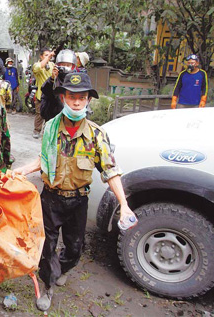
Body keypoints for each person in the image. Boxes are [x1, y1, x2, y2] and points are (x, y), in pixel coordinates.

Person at [14, 72, 136, 311]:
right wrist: (20, 171)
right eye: (72, 96)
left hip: (78, 201)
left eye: (82, 97)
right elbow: (43, 160)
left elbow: (111, 170)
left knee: (75, 248)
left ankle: (63, 267)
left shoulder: (96, 135)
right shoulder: (50, 128)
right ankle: (48, 286)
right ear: (63, 98)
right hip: (50, 199)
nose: (77, 102)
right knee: (46, 248)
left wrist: (124, 204)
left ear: (88, 100)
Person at [40, 49, 78, 121]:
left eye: (68, 65)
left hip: (71, 120)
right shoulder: (53, 80)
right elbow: (46, 91)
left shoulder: (76, 81)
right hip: (53, 120)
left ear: (73, 66)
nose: (65, 67)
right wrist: (52, 79)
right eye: (62, 64)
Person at [32, 48, 55, 138]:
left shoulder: (52, 65)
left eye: (49, 55)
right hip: (40, 94)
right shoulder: (37, 65)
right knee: (40, 113)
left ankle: (47, 130)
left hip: (51, 94)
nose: (48, 57)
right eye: (46, 55)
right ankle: (37, 130)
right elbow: (38, 68)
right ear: (41, 56)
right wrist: (48, 57)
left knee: (50, 114)